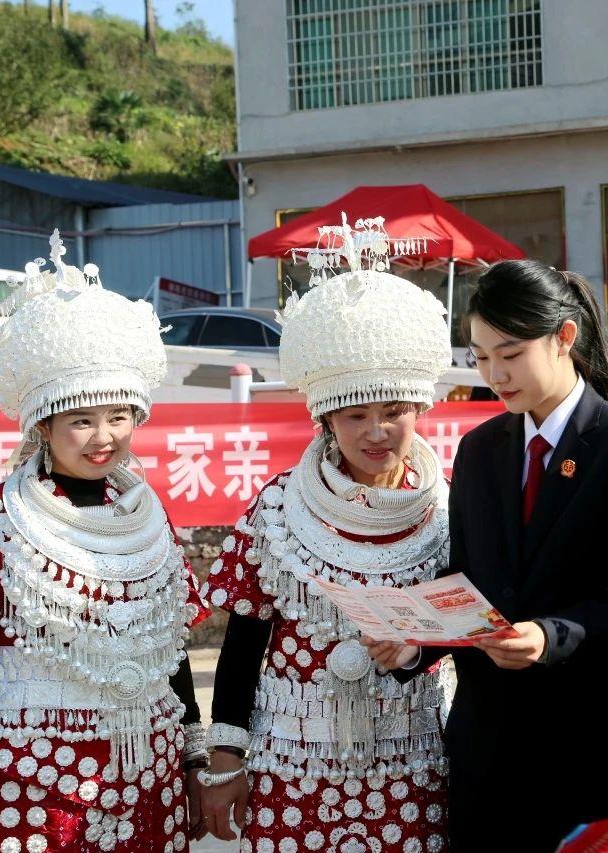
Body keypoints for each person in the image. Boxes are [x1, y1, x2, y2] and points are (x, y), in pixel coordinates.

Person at [365, 259, 608, 852]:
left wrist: (549, 636)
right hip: (489, 733)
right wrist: (417, 639)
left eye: (510, 354)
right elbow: (467, 580)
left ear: (563, 338)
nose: (495, 375)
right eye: (481, 357)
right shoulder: (481, 449)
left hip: (588, 735)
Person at [0, 232, 210, 853]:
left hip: (148, 771)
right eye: (81, 420)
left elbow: (171, 646)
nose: (104, 437)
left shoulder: (146, 513)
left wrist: (193, 758)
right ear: (43, 426)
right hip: (35, 775)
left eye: (119, 417)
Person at [197, 217, 453, 852]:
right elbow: (243, 641)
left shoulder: (451, 506)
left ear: (419, 411)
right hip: (292, 765)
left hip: (414, 762)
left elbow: (467, 625)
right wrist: (226, 757)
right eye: (356, 415)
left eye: (393, 412)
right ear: (326, 420)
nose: (376, 432)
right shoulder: (278, 507)